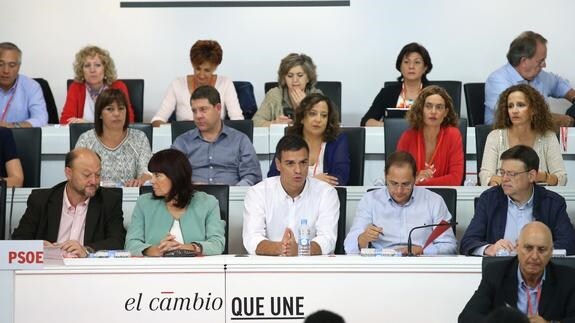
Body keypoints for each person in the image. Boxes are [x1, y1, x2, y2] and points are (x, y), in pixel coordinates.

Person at [461, 145, 575, 256]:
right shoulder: (489, 200)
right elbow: (468, 242)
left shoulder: (553, 203)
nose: (504, 179)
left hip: (539, 270)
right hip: (499, 270)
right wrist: (489, 248)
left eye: (511, 174)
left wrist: (533, 250)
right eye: (502, 172)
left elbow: (569, 243)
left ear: (531, 176)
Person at [12, 148, 126, 257]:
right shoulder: (41, 200)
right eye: (86, 175)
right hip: (49, 269)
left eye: (98, 174)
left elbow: (117, 241)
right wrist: (38, 247)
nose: (94, 181)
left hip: (88, 271)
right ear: (68, 173)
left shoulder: (109, 200)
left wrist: (86, 250)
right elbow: (19, 239)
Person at [344, 151, 457, 255]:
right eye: (393, 183)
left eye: (406, 184)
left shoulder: (434, 201)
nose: (399, 190)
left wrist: (422, 250)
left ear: (415, 177)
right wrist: (363, 239)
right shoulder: (370, 200)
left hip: (421, 264)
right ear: (385, 176)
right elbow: (348, 245)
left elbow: (449, 245)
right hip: (382, 265)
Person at [459, 222, 575, 323]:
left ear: (551, 251)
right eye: (528, 248)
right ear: (517, 247)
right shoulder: (496, 273)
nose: (535, 256)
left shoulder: (567, 278)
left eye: (542, 249)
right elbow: (467, 318)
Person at [243, 134, 339, 256]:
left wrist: (299, 250)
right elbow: (252, 239)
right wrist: (282, 248)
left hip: (312, 268)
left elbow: (327, 239)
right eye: (290, 163)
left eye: (303, 162)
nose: (298, 170)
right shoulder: (258, 193)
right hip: (270, 267)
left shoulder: (326, 193)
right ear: (278, 164)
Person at [125, 149, 225, 256]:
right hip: (154, 269)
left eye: (158, 175)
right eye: (152, 175)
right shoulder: (144, 203)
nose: (152, 181)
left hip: (197, 269)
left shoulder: (208, 203)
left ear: (175, 176)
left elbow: (217, 244)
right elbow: (131, 244)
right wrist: (158, 250)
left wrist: (182, 248)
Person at [172, 85, 261, 186]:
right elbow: (172, 175)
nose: (198, 116)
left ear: (218, 108)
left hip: (231, 198)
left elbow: (252, 176)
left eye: (203, 109)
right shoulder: (182, 142)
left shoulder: (240, 140)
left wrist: (232, 192)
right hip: (192, 198)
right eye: (194, 111)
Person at [479, 84, 567, 186]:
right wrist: (518, 182)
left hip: (540, 199)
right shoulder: (495, 136)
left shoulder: (548, 137)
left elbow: (561, 178)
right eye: (510, 106)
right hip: (503, 197)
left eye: (521, 105)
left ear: (533, 109)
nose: (514, 111)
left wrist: (543, 177)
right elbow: (485, 176)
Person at [484, 31, 575, 127]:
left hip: (539, 136)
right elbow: (517, 115)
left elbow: (558, 84)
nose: (544, 65)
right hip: (504, 137)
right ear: (524, 61)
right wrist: (565, 121)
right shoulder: (497, 80)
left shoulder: (539, 76)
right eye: (540, 61)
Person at [151, 40, 243, 126]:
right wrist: (172, 130)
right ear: (192, 64)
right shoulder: (177, 84)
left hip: (217, 139)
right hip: (184, 139)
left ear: (215, 67)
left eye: (207, 70)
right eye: (198, 69)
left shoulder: (225, 83)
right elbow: (158, 119)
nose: (201, 75)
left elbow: (237, 120)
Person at [267, 93, 350, 186]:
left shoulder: (337, 141)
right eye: (313, 114)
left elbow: (340, 178)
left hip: (325, 196)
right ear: (302, 118)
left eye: (324, 115)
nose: (318, 119)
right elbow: (273, 176)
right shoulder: (290, 140)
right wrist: (311, 182)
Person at [75, 89, 152, 187]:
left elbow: (148, 172)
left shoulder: (139, 138)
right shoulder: (86, 139)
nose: (116, 114)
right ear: (100, 114)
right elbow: (77, 174)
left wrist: (140, 181)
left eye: (121, 108)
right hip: (95, 197)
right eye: (110, 109)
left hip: (130, 197)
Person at [397, 85, 464, 185]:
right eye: (428, 106)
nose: (433, 112)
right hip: (413, 198)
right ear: (421, 109)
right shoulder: (407, 137)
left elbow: (456, 179)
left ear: (445, 112)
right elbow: (398, 178)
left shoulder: (453, 135)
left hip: (444, 197)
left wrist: (420, 181)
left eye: (439, 107)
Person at [361, 42, 432, 126]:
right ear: (400, 67)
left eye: (417, 62)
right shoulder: (387, 93)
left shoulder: (435, 93)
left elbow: (448, 123)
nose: (411, 66)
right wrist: (387, 126)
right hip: (395, 138)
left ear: (425, 68)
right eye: (406, 62)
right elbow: (366, 121)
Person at [60, 45, 135, 124]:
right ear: (81, 70)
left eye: (97, 65)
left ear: (105, 68)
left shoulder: (118, 87)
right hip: (83, 136)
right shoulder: (76, 87)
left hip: (112, 136)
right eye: (87, 65)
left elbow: (128, 120)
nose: (92, 70)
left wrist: (89, 126)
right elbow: (65, 121)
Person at [252, 53, 322, 127]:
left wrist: (304, 107)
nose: (295, 80)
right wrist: (274, 124)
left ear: (308, 78)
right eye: (290, 76)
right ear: (284, 78)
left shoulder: (316, 96)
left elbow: (324, 124)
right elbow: (254, 123)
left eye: (300, 75)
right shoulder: (274, 95)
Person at [0, 42, 47, 128]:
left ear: (19, 66)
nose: (6, 70)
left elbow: (41, 119)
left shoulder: (32, 87)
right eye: (0, 64)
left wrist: (13, 126)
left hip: (20, 139)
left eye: (12, 65)